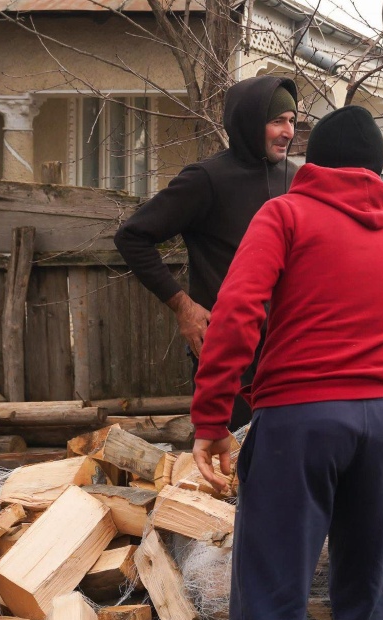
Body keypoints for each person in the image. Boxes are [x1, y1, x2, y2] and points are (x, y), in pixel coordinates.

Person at [190, 106, 383, 620]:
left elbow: (235, 313)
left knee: (271, 603)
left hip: (299, 421)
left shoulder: (285, 215)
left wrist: (212, 418)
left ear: (312, 161)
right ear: (378, 167)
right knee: (368, 603)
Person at [114, 75, 298, 431]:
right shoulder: (207, 179)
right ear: (249, 122)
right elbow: (132, 236)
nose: (288, 132)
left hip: (285, 351)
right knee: (229, 455)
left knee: (283, 454)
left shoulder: (293, 178)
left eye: (291, 121)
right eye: (277, 121)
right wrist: (183, 306)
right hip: (228, 355)